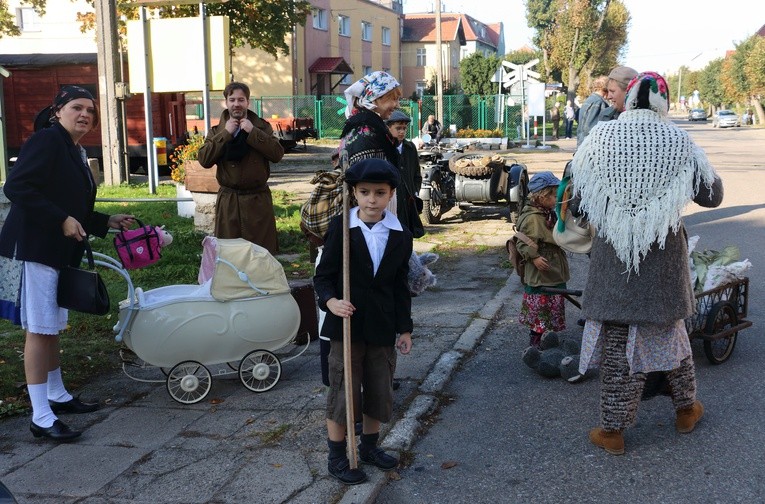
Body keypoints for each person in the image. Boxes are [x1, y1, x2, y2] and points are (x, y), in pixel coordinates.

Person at [570, 72, 724, 455]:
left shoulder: (599, 139)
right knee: (671, 339)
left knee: (618, 347)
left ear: (628, 101)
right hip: (662, 266)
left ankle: (612, 431)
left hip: (614, 265)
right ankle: (686, 410)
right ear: (663, 104)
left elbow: (577, 203)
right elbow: (712, 195)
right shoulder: (679, 140)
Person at [0, 86, 134, 442]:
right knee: (40, 329)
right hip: (37, 247)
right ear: (57, 110)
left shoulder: (74, 150)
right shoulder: (46, 141)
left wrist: (105, 221)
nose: (85, 115)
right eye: (77, 107)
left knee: (52, 326)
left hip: (59, 251)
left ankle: (57, 395)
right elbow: (17, 186)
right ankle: (40, 416)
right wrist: (60, 219)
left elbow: (73, 204)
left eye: (90, 110)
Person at [314, 158, 414, 485]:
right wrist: (331, 302)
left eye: (380, 193)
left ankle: (370, 447)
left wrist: (405, 327)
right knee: (343, 392)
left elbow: (400, 284)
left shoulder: (400, 234)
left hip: (382, 325)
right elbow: (324, 276)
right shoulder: (341, 228)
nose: (372, 199)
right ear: (354, 193)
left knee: (378, 389)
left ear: (391, 195)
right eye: (364, 192)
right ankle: (337, 457)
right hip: (346, 324)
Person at [197, 81, 284, 254]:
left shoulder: (262, 127)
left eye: (241, 100)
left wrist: (253, 132)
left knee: (260, 255)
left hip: (257, 202)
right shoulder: (216, 131)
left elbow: (277, 154)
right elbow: (204, 159)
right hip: (230, 203)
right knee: (230, 255)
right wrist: (225, 134)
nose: (237, 104)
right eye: (232, 100)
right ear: (226, 102)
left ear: (248, 102)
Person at [516, 171, 570, 348]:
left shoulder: (547, 213)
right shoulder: (533, 218)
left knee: (552, 306)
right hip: (542, 272)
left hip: (553, 269)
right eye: (554, 196)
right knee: (541, 308)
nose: (557, 199)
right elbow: (522, 242)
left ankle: (548, 338)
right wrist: (535, 257)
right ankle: (536, 342)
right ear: (541, 196)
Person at [385, 110, 424, 238]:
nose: (401, 131)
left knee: (407, 235)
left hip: (408, 200)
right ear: (389, 128)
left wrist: (414, 191)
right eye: (398, 128)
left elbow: (417, 175)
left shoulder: (410, 148)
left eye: (404, 128)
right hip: (390, 200)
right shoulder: (384, 148)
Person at [576, 76, 610, 146]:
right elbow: (591, 127)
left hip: (582, 142)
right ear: (606, 89)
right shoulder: (599, 102)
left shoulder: (589, 100)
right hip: (591, 144)